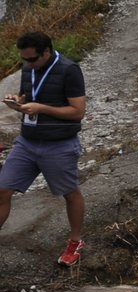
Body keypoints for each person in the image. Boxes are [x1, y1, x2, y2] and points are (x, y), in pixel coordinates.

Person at [1, 31, 88, 266]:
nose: (27, 63)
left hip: (59, 144)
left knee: (69, 193)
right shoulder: (29, 68)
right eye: (24, 59)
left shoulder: (69, 70)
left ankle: (75, 241)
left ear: (47, 52)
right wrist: (17, 102)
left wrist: (42, 108)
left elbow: (78, 111)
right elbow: (26, 96)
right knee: (2, 188)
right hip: (27, 142)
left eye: (31, 59)